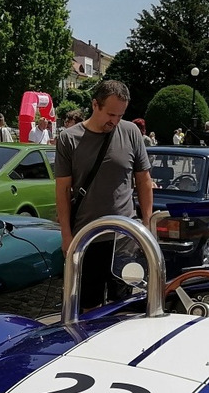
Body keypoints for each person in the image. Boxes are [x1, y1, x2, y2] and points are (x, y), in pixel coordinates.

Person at [54, 78, 153, 310]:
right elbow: (62, 190)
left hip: (124, 237)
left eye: (120, 115)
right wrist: (66, 236)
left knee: (123, 305)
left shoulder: (130, 132)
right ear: (95, 105)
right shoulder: (69, 138)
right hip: (88, 236)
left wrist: (147, 226)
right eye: (110, 114)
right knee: (89, 308)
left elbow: (144, 181)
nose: (115, 121)